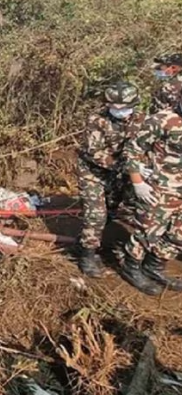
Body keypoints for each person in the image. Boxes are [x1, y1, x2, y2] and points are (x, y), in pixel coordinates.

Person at [76, 82, 143, 278]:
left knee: (115, 209)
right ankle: (87, 254)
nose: (120, 111)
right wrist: (128, 168)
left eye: (124, 107)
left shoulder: (141, 120)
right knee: (95, 214)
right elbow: (93, 152)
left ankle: (118, 246)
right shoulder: (97, 120)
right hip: (93, 172)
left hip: (121, 173)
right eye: (115, 107)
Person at [123, 92, 182, 295]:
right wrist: (137, 182)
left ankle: (154, 266)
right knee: (148, 231)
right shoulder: (163, 120)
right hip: (162, 187)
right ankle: (131, 267)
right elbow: (133, 149)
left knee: (178, 234)